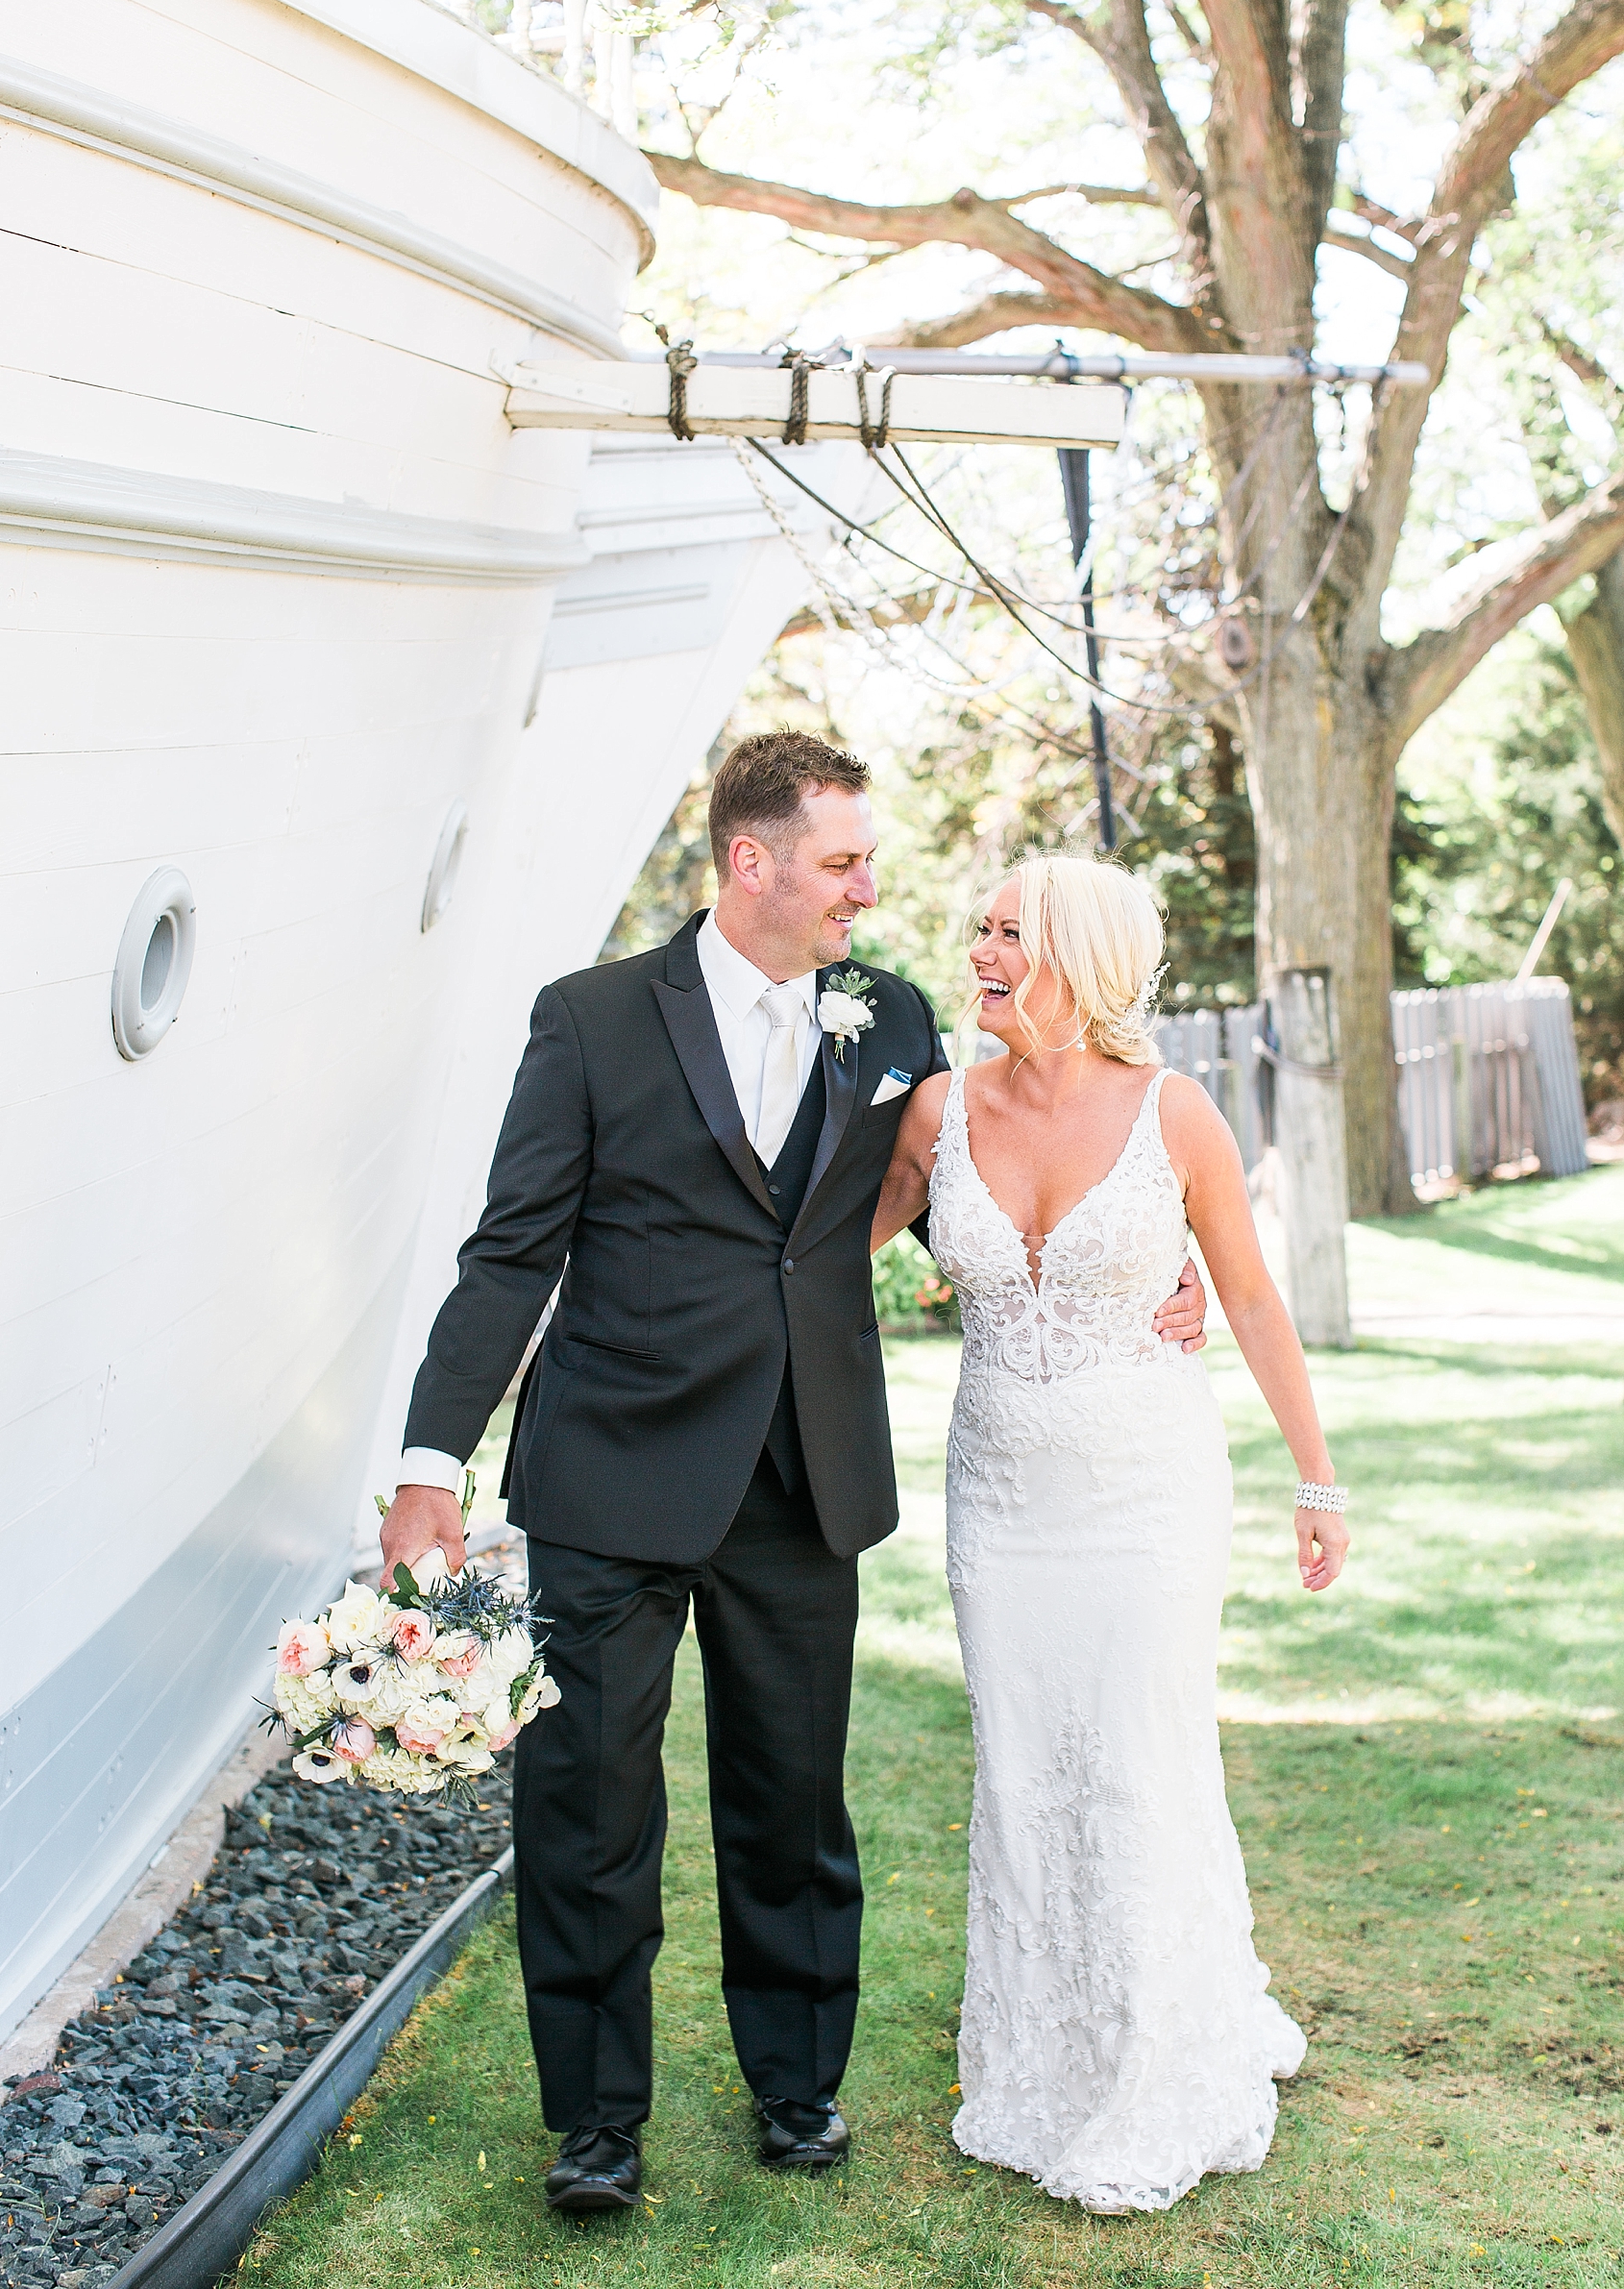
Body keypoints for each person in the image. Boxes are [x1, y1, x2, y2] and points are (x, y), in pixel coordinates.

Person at [379, 737, 1208, 2216]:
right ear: (751, 863)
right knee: (587, 1803)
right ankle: (595, 2121)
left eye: (870, 862)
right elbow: (512, 1250)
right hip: (608, 1478)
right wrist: (430, 1461)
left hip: (800, 1478)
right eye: (843, 862)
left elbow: (1003, 1154)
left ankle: (795, 2088)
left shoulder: (886, 1014)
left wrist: (1166, 1263)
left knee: (789, 1800)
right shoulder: (590, 1019)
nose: (870, 889)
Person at [873, 853, 1349, 2215]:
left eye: (1008, 932)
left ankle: (1154, 2071)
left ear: (1077, 958)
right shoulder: (936, 1111)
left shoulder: (1173, 1113)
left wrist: (1317, 1480)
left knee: (1139, 1760)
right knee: (1025, 1767)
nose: (980, 951)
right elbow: (826, 1261)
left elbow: (1250, 1298)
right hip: (1001, 1504)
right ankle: (1038, 2060)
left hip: (1149, 1496)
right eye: (980, 928)